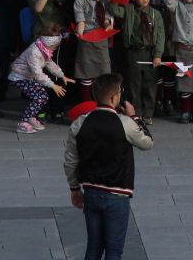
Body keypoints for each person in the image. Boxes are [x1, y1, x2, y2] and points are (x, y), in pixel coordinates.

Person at [65, 73, 154, 260]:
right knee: (113, 250)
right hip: (117, 195)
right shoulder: (125, 123)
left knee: (94, 247)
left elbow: (71, 160)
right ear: (114, 98)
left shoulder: (80, 122)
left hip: (91, 192)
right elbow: (147, 143)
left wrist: (74, 189)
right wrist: (135, 116)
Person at [8, 23, 73, 134]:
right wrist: (53, 85)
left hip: (29, 77)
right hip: (19, 77)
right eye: (55, 46)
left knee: (43, 96)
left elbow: (49, 63)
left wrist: (62, 75)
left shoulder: (44, 48)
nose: (56, 48)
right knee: (39, 97)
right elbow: (38, 74)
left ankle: (31, 117)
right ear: (49, 43)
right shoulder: (34, 52)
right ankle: (24, 123)